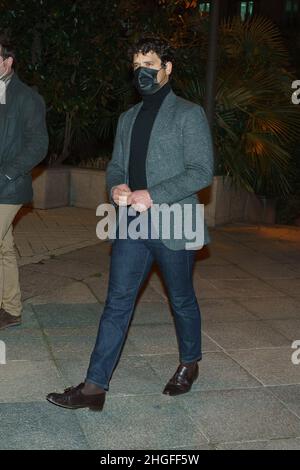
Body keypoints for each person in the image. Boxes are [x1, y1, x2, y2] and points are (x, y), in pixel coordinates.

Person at [47, 35, 214, 411]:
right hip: (133, 224)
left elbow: (202, 171)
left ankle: (190, 362)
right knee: (117, 302)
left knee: (182, 299)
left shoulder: (188, 114)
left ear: (167, 69)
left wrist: (152, 193)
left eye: (150, 65)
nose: (143, 72)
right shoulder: (127, 118)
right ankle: (94, 387)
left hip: (175, 221)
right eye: (137, 66)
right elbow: (116, 167)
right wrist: (116, 187)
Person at [0, 39, 49, 330]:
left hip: (9, 184)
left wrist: (6, 174)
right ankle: (11, 308)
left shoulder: (27, 98)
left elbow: (38, 145)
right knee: (4, 247)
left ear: (8, 62)